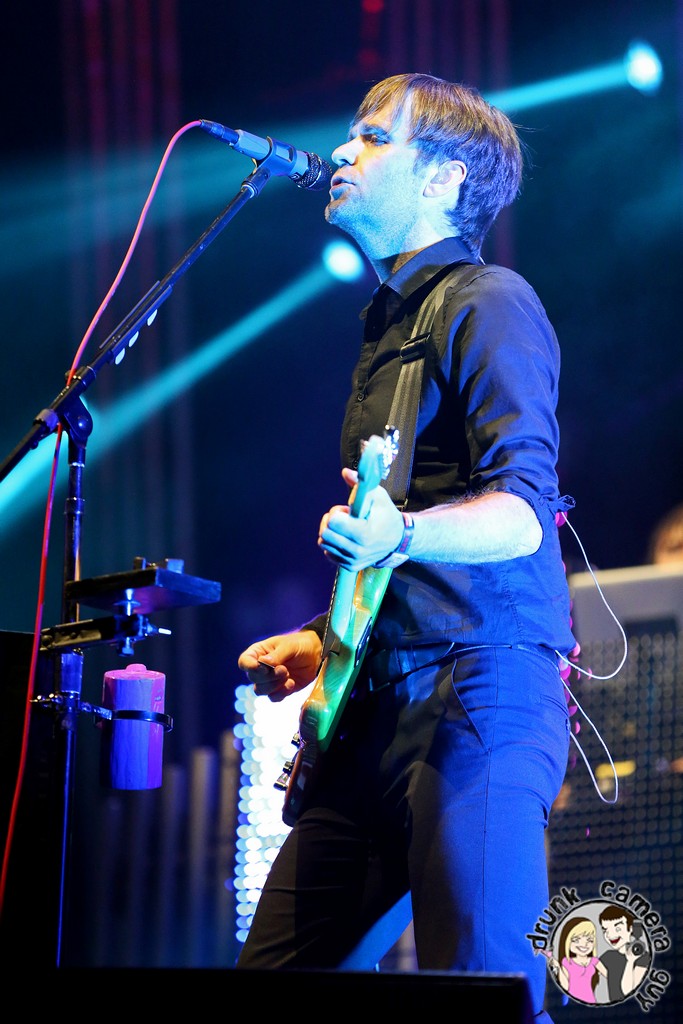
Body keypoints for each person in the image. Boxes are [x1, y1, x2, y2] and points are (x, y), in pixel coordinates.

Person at [236, 73, 576, 1022]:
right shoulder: (388, 324)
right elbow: (402, 530)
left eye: (374, 137)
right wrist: (324, 635)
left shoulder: (489, 299)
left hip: (478, 692)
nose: (343, 152)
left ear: (443, 178)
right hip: (376, 705)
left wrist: (404, 532)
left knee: (483, 986)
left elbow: (522, 512)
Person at [545, 916, 607, 1004]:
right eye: (576, 940)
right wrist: (558, 967)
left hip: (590, 1001)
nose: (584, 944)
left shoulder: (594, 961)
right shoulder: (566, 962)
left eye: (589, 940)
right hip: (573, 1003)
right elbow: (565, 987)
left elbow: (610, 977)